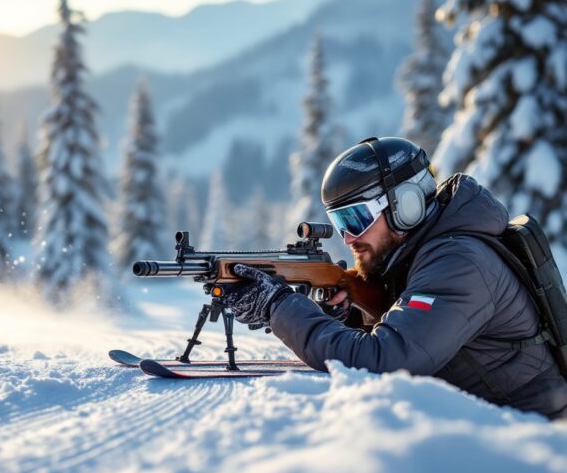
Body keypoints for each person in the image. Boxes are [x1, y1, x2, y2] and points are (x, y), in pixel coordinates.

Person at [223, 136, 567, 419]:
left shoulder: (460, 263)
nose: (347, 237)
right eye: (340, 222)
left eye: (356, 218)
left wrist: (279, 306)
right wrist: (353, 316)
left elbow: (383, 361)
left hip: (527, 436)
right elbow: (413, 329)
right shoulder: (425, 253)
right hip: (486, 421)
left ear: (407, 205)